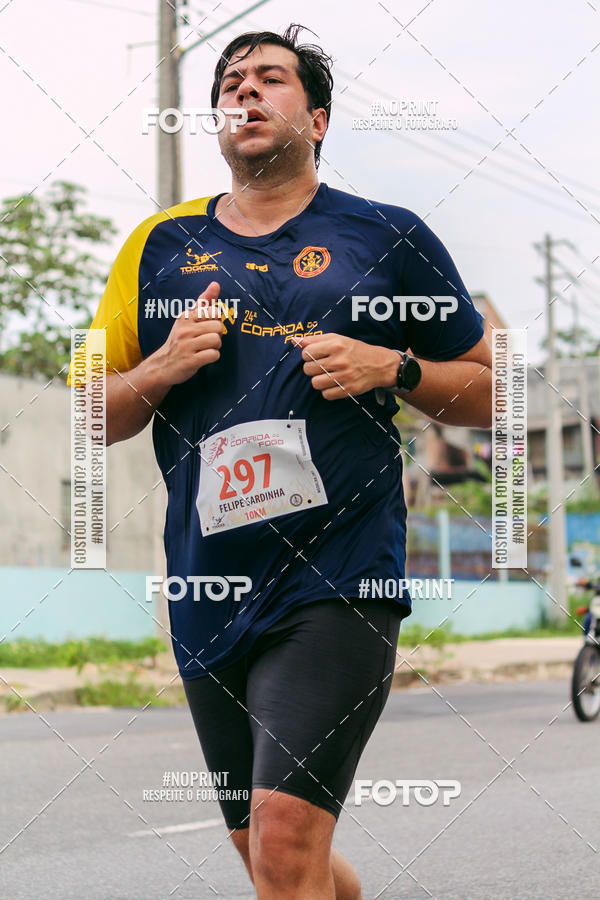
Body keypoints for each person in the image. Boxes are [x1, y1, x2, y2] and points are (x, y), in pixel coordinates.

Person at [87, 24, 492, 899]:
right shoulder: (157, 248)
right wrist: (159, 368)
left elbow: (499, 394)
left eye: (269, 78)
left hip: (339, 578)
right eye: (231, 82)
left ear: (316, 116)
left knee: (281, 836)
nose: (245, 92)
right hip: (208, 587)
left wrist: (401, 368)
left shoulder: (388, 238)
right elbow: (90, 409)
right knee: (269, 854)